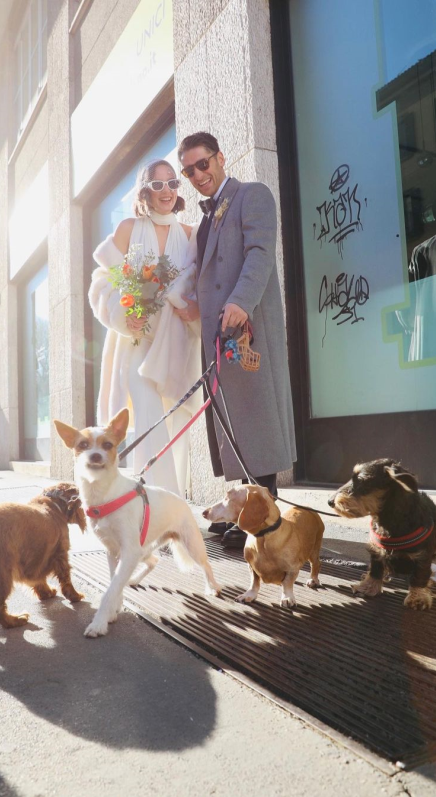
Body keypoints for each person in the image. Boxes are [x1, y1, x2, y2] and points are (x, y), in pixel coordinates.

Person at [176, 131, 297, 547]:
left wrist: (242, 301)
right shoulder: (206, 219)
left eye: (202, 164)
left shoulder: (253, 194)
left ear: (220, 158)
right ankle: (244, 514)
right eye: (188, 170)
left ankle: (266, 519)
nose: (196, 174)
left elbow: (260, 252)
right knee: (232, 421)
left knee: (256, 417)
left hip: (248, 326)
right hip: (217, 333)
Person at [89, 159, 201, 496]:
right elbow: (102, 283)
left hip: (175, 346)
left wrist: (192, 309)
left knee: (175, 426)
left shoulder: (191, 235)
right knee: (149, 421)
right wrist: (123, 317)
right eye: (158, 184)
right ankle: (151, 506)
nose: (166, 191)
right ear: (145, 191)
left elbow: (199, 289)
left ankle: (172, 507)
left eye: (172, 184)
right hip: (136, 345)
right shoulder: (127, 228)